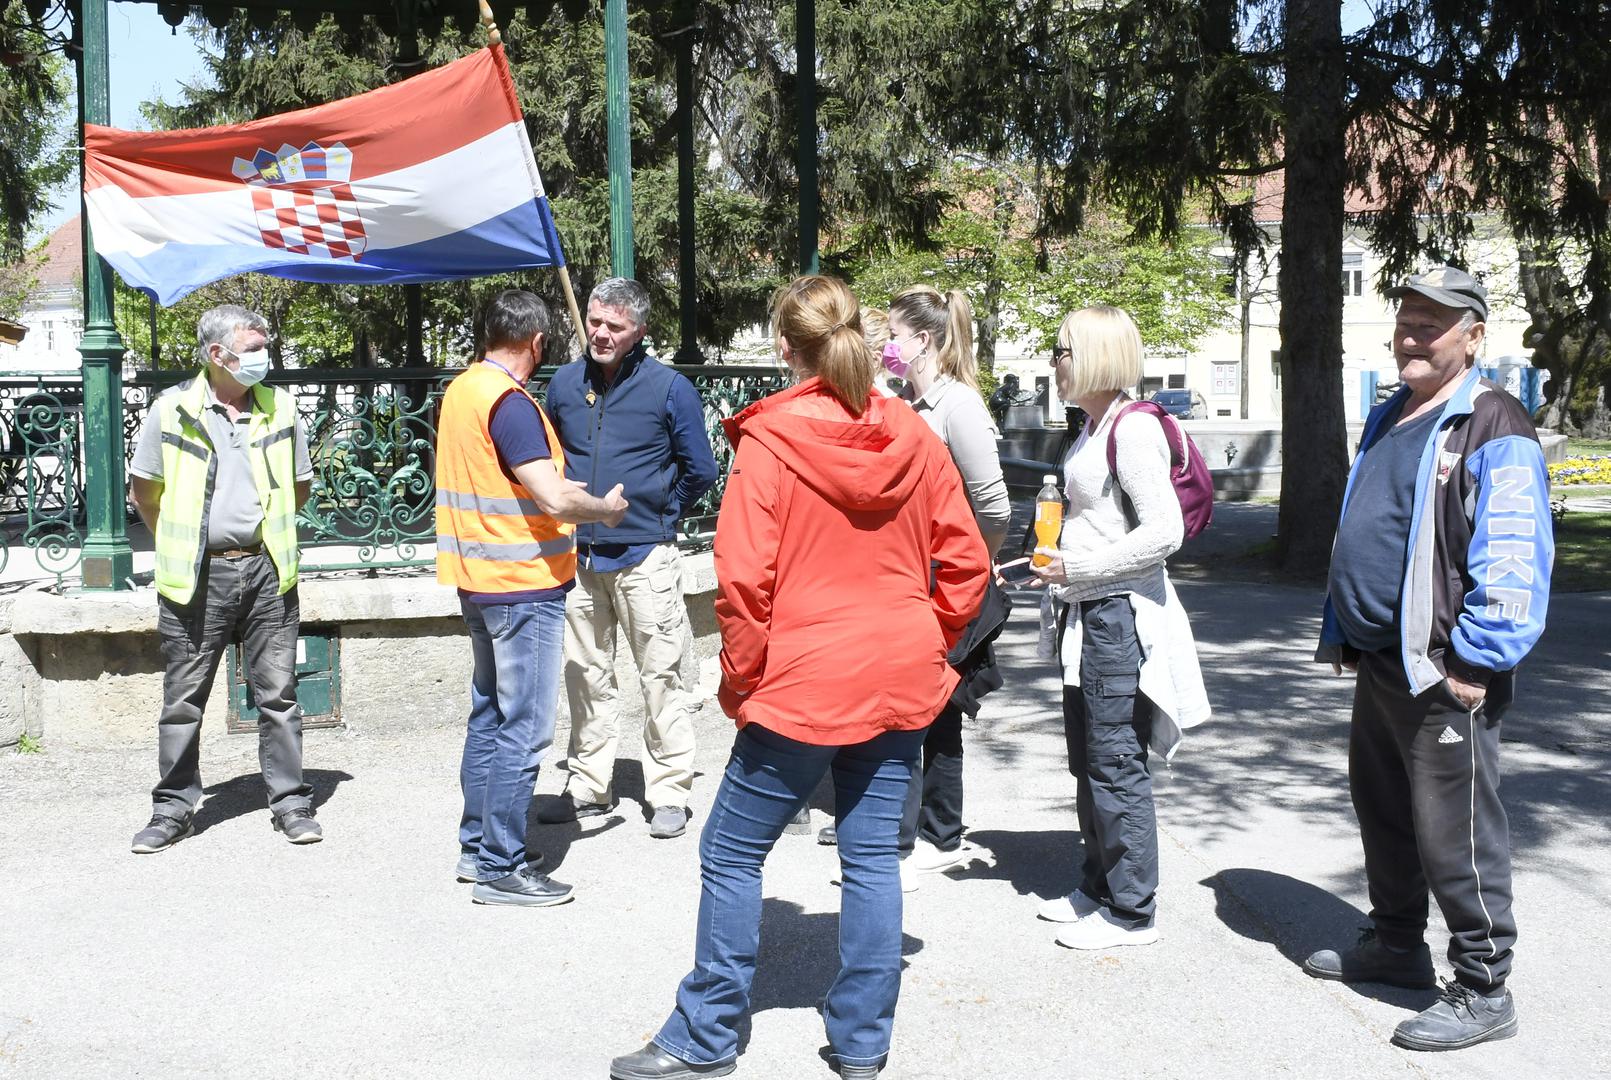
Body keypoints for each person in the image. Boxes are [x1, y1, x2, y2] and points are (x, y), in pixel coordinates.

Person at [610, 276, 989, 1080]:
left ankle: (704, 1036)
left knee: (730, 850)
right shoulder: (911, 435)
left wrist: (743, 680)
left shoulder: (771, 440)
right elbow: (965, 563)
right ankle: (860, 1042)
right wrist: (930, 638)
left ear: (784, 346)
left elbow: (744, 581)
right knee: (870, 858)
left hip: (806, 676)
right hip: (896, 670)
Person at [1304, 266, 1552, 1052]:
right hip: (1384, 660)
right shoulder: (1392, 412)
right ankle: (1397, 946)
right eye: (1406, 318)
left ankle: (1483, 988)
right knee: (1383, 813)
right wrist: (1347, 627)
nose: (1411, 334)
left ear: (1472, 337)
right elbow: (1374, 527)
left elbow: (1513, 558)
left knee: (1456, 832)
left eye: (1432, 323)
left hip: (1446, 672)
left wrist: (1476, 662)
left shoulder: (1492, 423)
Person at [435, 289, 628, 907]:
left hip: (480, 579)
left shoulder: (463, 389)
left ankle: (476, 847)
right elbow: (553, 498)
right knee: (524, 729)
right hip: (523, 587)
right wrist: (606, 508)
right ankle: (501, 865)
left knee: (489, 719)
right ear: (538, 342)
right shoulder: (511, 404)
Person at [1030, 304, 1210, 949]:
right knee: (1090, 758)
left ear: (1097, 356)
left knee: (1113, 761)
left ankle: (1132, 912)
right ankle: (1098, 887)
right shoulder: (1091, 425)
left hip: (1118, 617)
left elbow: (1164, 531)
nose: (1054, 361)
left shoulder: (1131, 429)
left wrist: (1079, 566)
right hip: (1089, 610)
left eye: (1063, 350)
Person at [127, 305, 319, 853]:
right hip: (196, 575)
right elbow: (146, 492)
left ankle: (290, 802)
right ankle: (172, 809)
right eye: (253, 348)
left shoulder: (280, 407)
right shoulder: (172, 410)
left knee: (278, 695)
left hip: (267, 568)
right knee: (184, 699)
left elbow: (298, 486)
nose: (264, 356)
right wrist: (183, 542)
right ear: (218, 355)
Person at [541, 278, 719, 840]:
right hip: (581, 556)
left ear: (639, 330)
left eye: (614, 326)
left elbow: (701, 470)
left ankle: (669, 789)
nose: (600, 332)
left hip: (646, 558)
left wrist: (660, 516)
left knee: (660, 675)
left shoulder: (670, 388)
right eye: (595, 321)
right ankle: (589, 785)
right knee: (585, 676)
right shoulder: (566, 384)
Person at [883, 285, 1012, 882]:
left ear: (923, 340)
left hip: (944, 582)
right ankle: (927, 833)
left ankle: (927, 839)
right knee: (922, 709)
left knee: (932, 710)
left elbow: (993, 502)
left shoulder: (958, 406)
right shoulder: (905, 401)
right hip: (904, 578)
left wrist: (973, 568)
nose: (886, 345)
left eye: (893, 334)